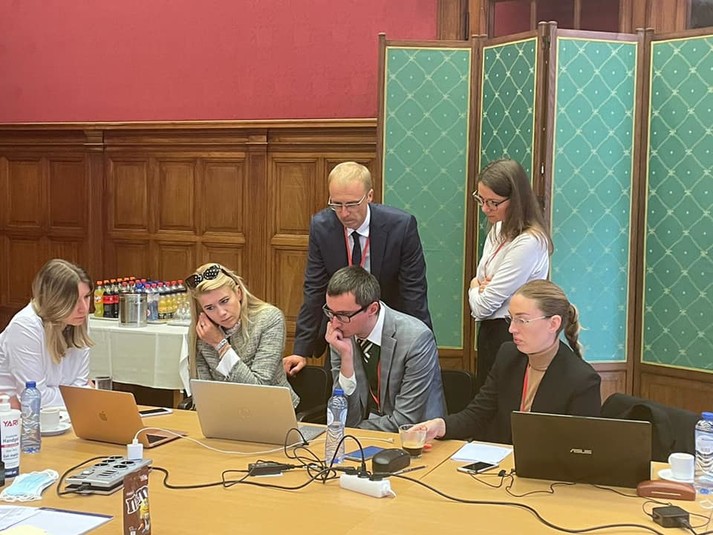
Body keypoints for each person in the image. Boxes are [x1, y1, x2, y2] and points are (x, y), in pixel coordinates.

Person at [283, 161, 432, 376]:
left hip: (388, 328)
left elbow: (413, 291)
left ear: (369, 196)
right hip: (341, 328)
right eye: (336, 204)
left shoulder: (401, 227)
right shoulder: (322, 227)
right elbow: (314, 289)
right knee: (339, 390)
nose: (344, 213)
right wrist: (301, 350)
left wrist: (423, 345)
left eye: (352, 204)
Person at [417, 279, 601, 444]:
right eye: (511, 319)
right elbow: (478, 414)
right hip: (500, 464)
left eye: (522, 320)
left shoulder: (582, 379)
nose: (512, 329)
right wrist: (441, 426)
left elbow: (579, 449)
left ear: (553, 323)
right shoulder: (509, 355)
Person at [325, 266, 444, 432]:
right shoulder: (340, 337)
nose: (335, 323)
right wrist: (346, 358)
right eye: (331, 313)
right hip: (363, 437)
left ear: (372, 309)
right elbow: (343, 416)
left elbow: (405, 421)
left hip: (417, 438)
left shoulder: (416, 339)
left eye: (343, 315)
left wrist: (353, 429)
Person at [469, 159, 553, 389]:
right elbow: (482, 279)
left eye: (493, 203)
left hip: (514, 333)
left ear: (515, 200)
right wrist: (481, 285)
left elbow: (482, 306)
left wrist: (475, 287)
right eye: (481, 199)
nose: (485, 209)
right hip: (489, 333)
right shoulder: (498, 229)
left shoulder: (529, 241)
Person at [185, 263, 298, 407]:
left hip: (272, 409)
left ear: (238, 293)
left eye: (224, 301)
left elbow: (257, 390)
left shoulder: (269, 319)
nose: (221, 313)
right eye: (210, 308)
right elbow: (204, 393)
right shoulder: (202, 331)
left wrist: (220, 345)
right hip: (224, 412)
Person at [0, 259, 93, 408]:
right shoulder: (25, 326)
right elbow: (35, 397)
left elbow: (80, 385)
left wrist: (81, 393)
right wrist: (82, 394)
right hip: (13, 414)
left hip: (58, 414)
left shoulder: (78, 321)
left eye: (86, 297)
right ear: (53, 300)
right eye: (74, 300)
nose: (84, 308)